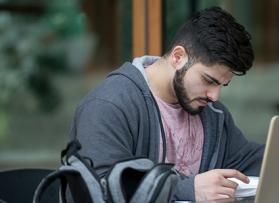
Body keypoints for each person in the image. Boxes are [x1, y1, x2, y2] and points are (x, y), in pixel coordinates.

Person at [69, 6, 264, 201]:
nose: (215, 96)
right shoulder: (108, 105)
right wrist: (187, 189)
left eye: (223, 84)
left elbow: (245, 161)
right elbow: (97, 189)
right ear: (178, 57)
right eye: (209, 80)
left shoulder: (212, 112)